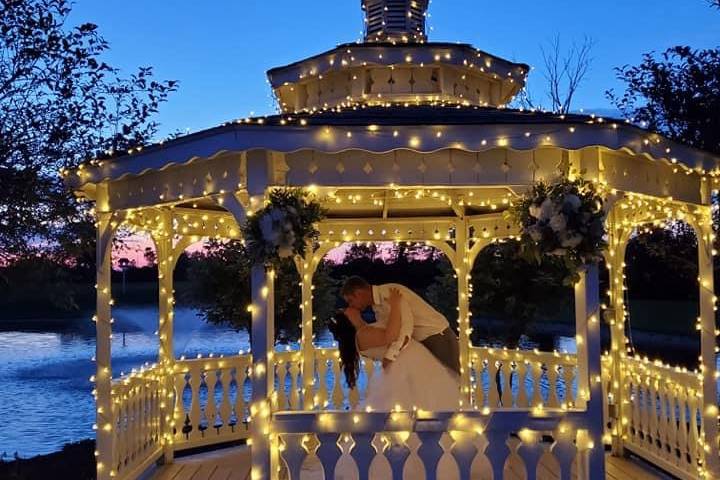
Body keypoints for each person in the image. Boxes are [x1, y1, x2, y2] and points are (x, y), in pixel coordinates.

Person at [328, 286, 459, 412]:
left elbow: (394, 328)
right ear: (347, 320)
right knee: (429, 399)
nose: (349, 307)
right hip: (408, 362)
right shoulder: (362, 335)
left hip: (410, 359)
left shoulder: (365, 329)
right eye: (345, 310)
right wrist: (396, 304)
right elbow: (391, 335)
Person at [341, 276, 461, 376]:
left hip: (437, 336)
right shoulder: (376, 307)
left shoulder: (390, 293)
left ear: (359, 293)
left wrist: (390, 356)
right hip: (420, 343)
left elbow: (405, 327)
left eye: (351, 301)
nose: (351, 306)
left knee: (451, 381)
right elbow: (388, 329)